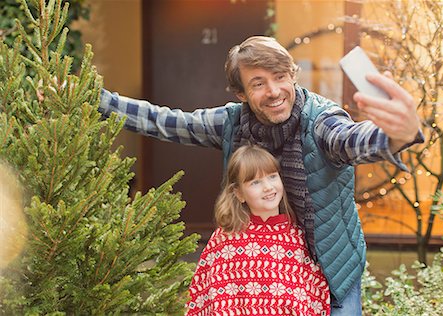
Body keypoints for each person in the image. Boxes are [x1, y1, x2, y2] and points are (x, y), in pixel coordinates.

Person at [98, 36, 423, 315]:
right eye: (258, 83)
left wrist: (394, 137)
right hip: (267, 266)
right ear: (241, 94)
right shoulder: (232, 123)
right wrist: (95, 98)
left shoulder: (321, 120)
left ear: (293, 75)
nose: (274, 91)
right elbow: (166, 122)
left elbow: (350, 140)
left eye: (281, 76)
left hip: (330, 265)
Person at [185, 144, 330, 315]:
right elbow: (204, 298)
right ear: (239, 193)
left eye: (272, 176)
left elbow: (315, 300)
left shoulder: (297, 238)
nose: (268, 187)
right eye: (255, 182)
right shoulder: (225, 239)